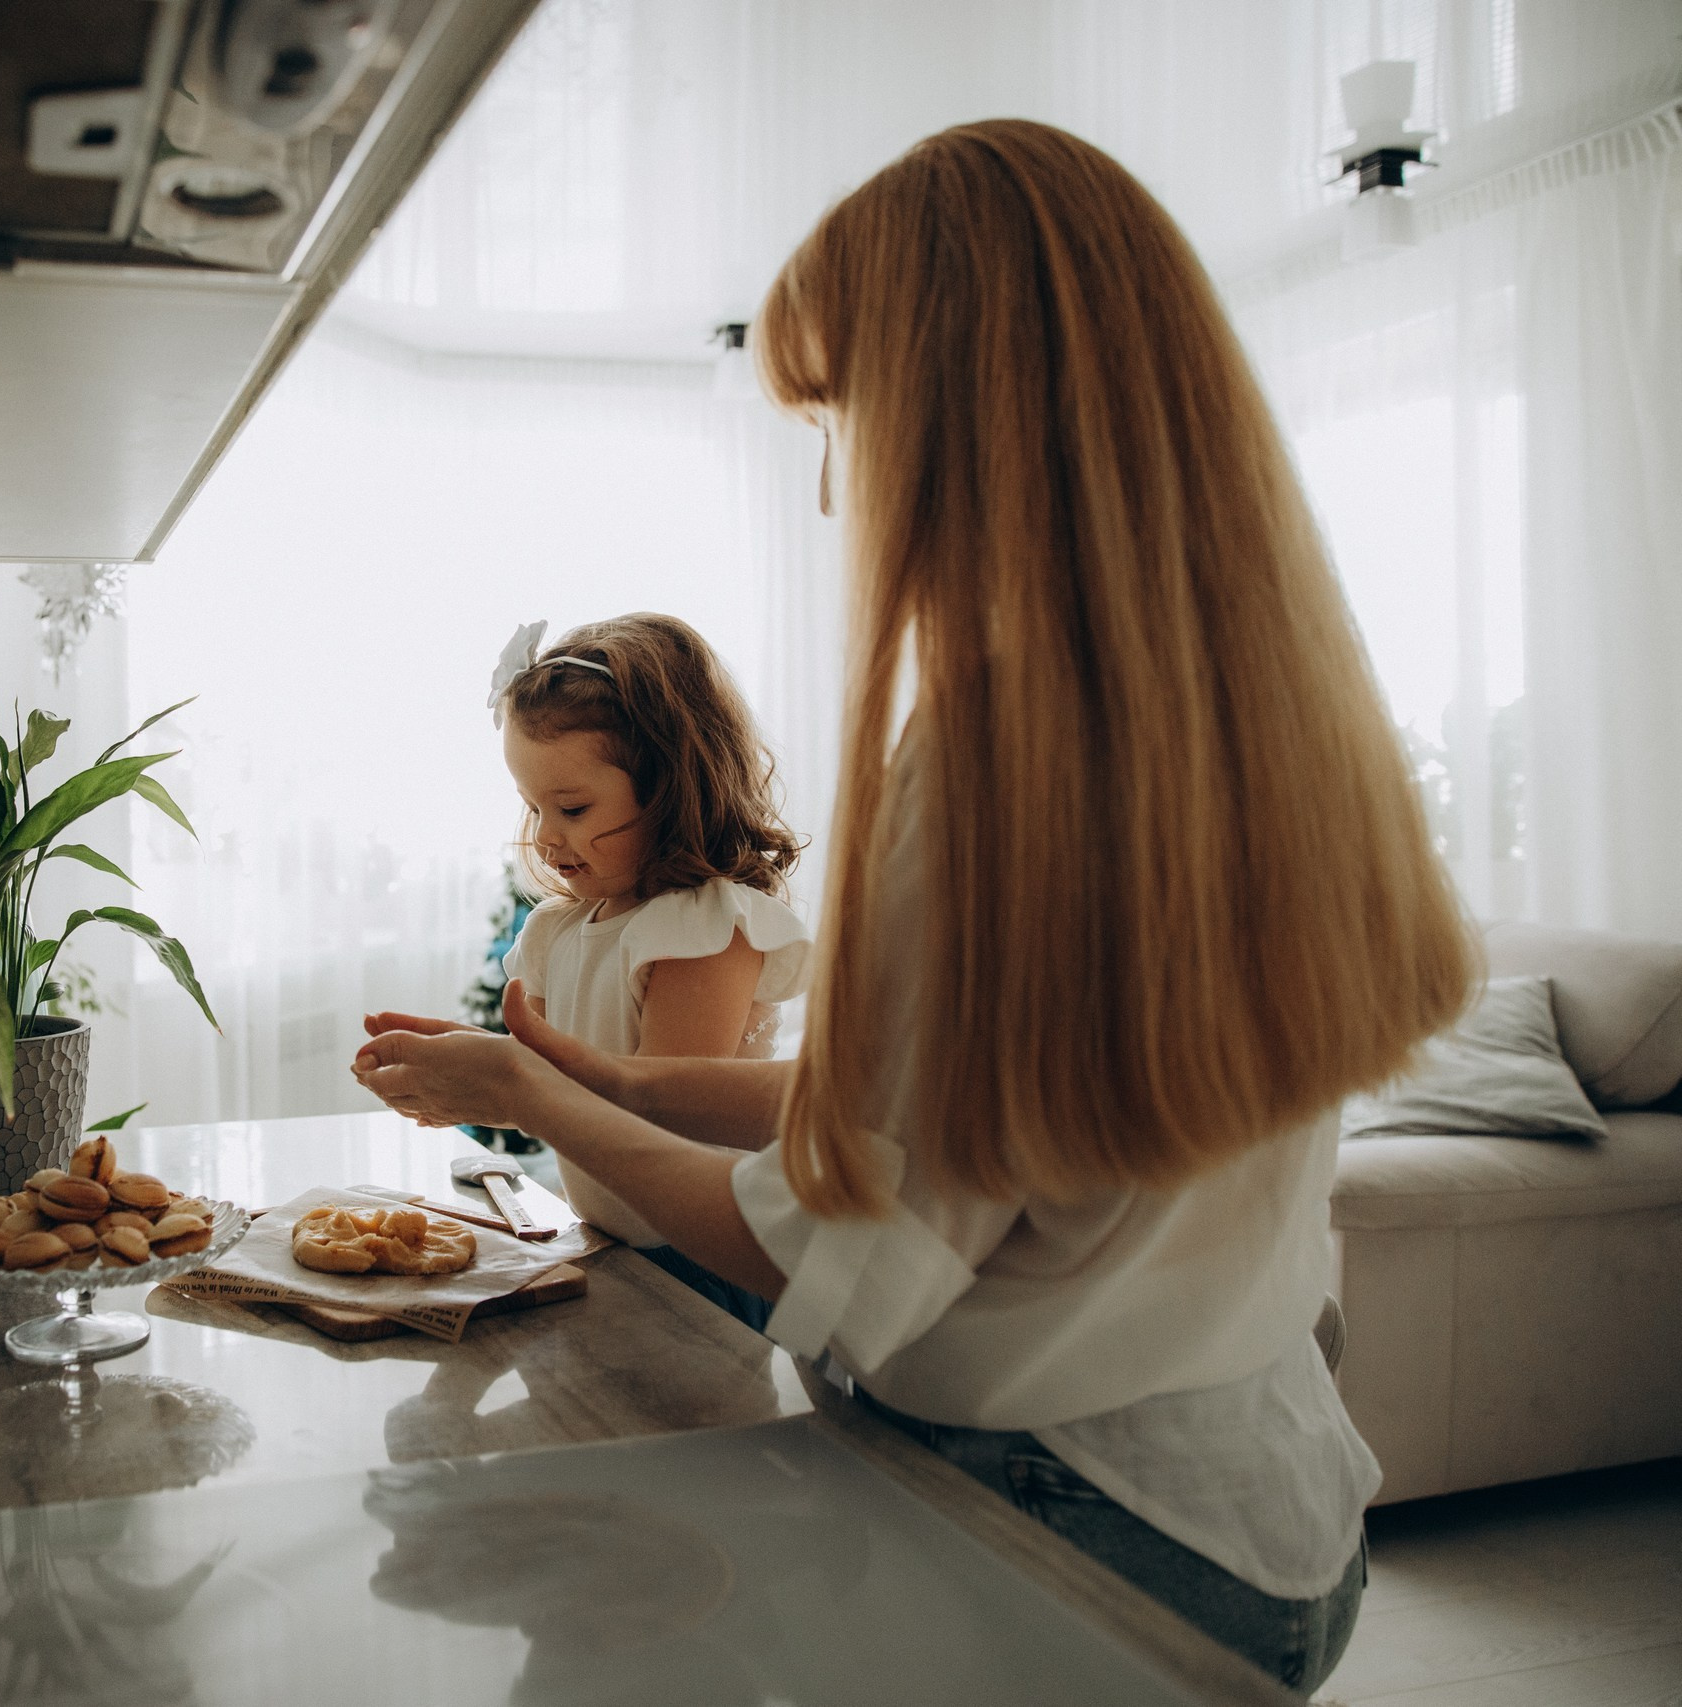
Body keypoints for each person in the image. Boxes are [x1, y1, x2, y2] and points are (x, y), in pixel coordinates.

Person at [353, 118, 1474, 1694]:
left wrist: (536, 1097)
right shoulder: (1274, 703)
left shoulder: (994, 758)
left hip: (1068, 1524)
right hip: (1265, 1509)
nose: (833, 491)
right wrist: (611, 1077)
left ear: (965, 421)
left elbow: (837, 1254)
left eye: (840, 419)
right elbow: (973, 1118)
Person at [371, 613, 808, 1328]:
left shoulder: (705, 927)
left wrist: (507, 1082)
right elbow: (552, 1080)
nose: (545, 835)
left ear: (670, 789)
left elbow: (649, 1108)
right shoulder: (557, 928)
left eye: (572, 807)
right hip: (607, 1243)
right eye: (533, 806)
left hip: (701, 1261)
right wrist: (464, 1073)